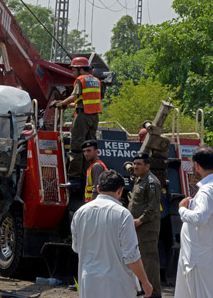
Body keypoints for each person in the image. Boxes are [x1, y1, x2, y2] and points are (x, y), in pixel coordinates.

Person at [71, 169, 152, 298]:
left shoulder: (80, 213)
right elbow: (131, 256)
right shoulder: (123, 215)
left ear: (98, 188)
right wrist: (145, 282)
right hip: (118, 285)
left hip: (89, 282)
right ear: (120, 190)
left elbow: (76, 247)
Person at [55, 57, 102, 186]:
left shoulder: (80, 80)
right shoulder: (96, 80)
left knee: (76, 146)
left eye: (73, 69)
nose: (72, 72)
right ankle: (87, 176)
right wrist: (67, 105)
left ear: (80, 69)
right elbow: (84, 100)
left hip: (83, 116)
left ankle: (74, 179)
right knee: (89, 147)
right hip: (94, 117)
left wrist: (61, 104)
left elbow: (74, 96)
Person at [174, 146, 213, 297]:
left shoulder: (206, 191)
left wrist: (182, 209)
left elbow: (200, 218)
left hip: (199, 258)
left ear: (196, 165)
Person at [128, 152, 162, 297]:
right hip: (137, 228)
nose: (135, 166)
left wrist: (140, 220)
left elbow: (153, 207)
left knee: (149, 262)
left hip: (146, 229)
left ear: (147, 166)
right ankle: (144, 290)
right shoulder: (139, 179)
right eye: (134, 163)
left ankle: (153, 294)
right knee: (139, 260)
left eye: (138, 164)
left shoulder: (151, 182)